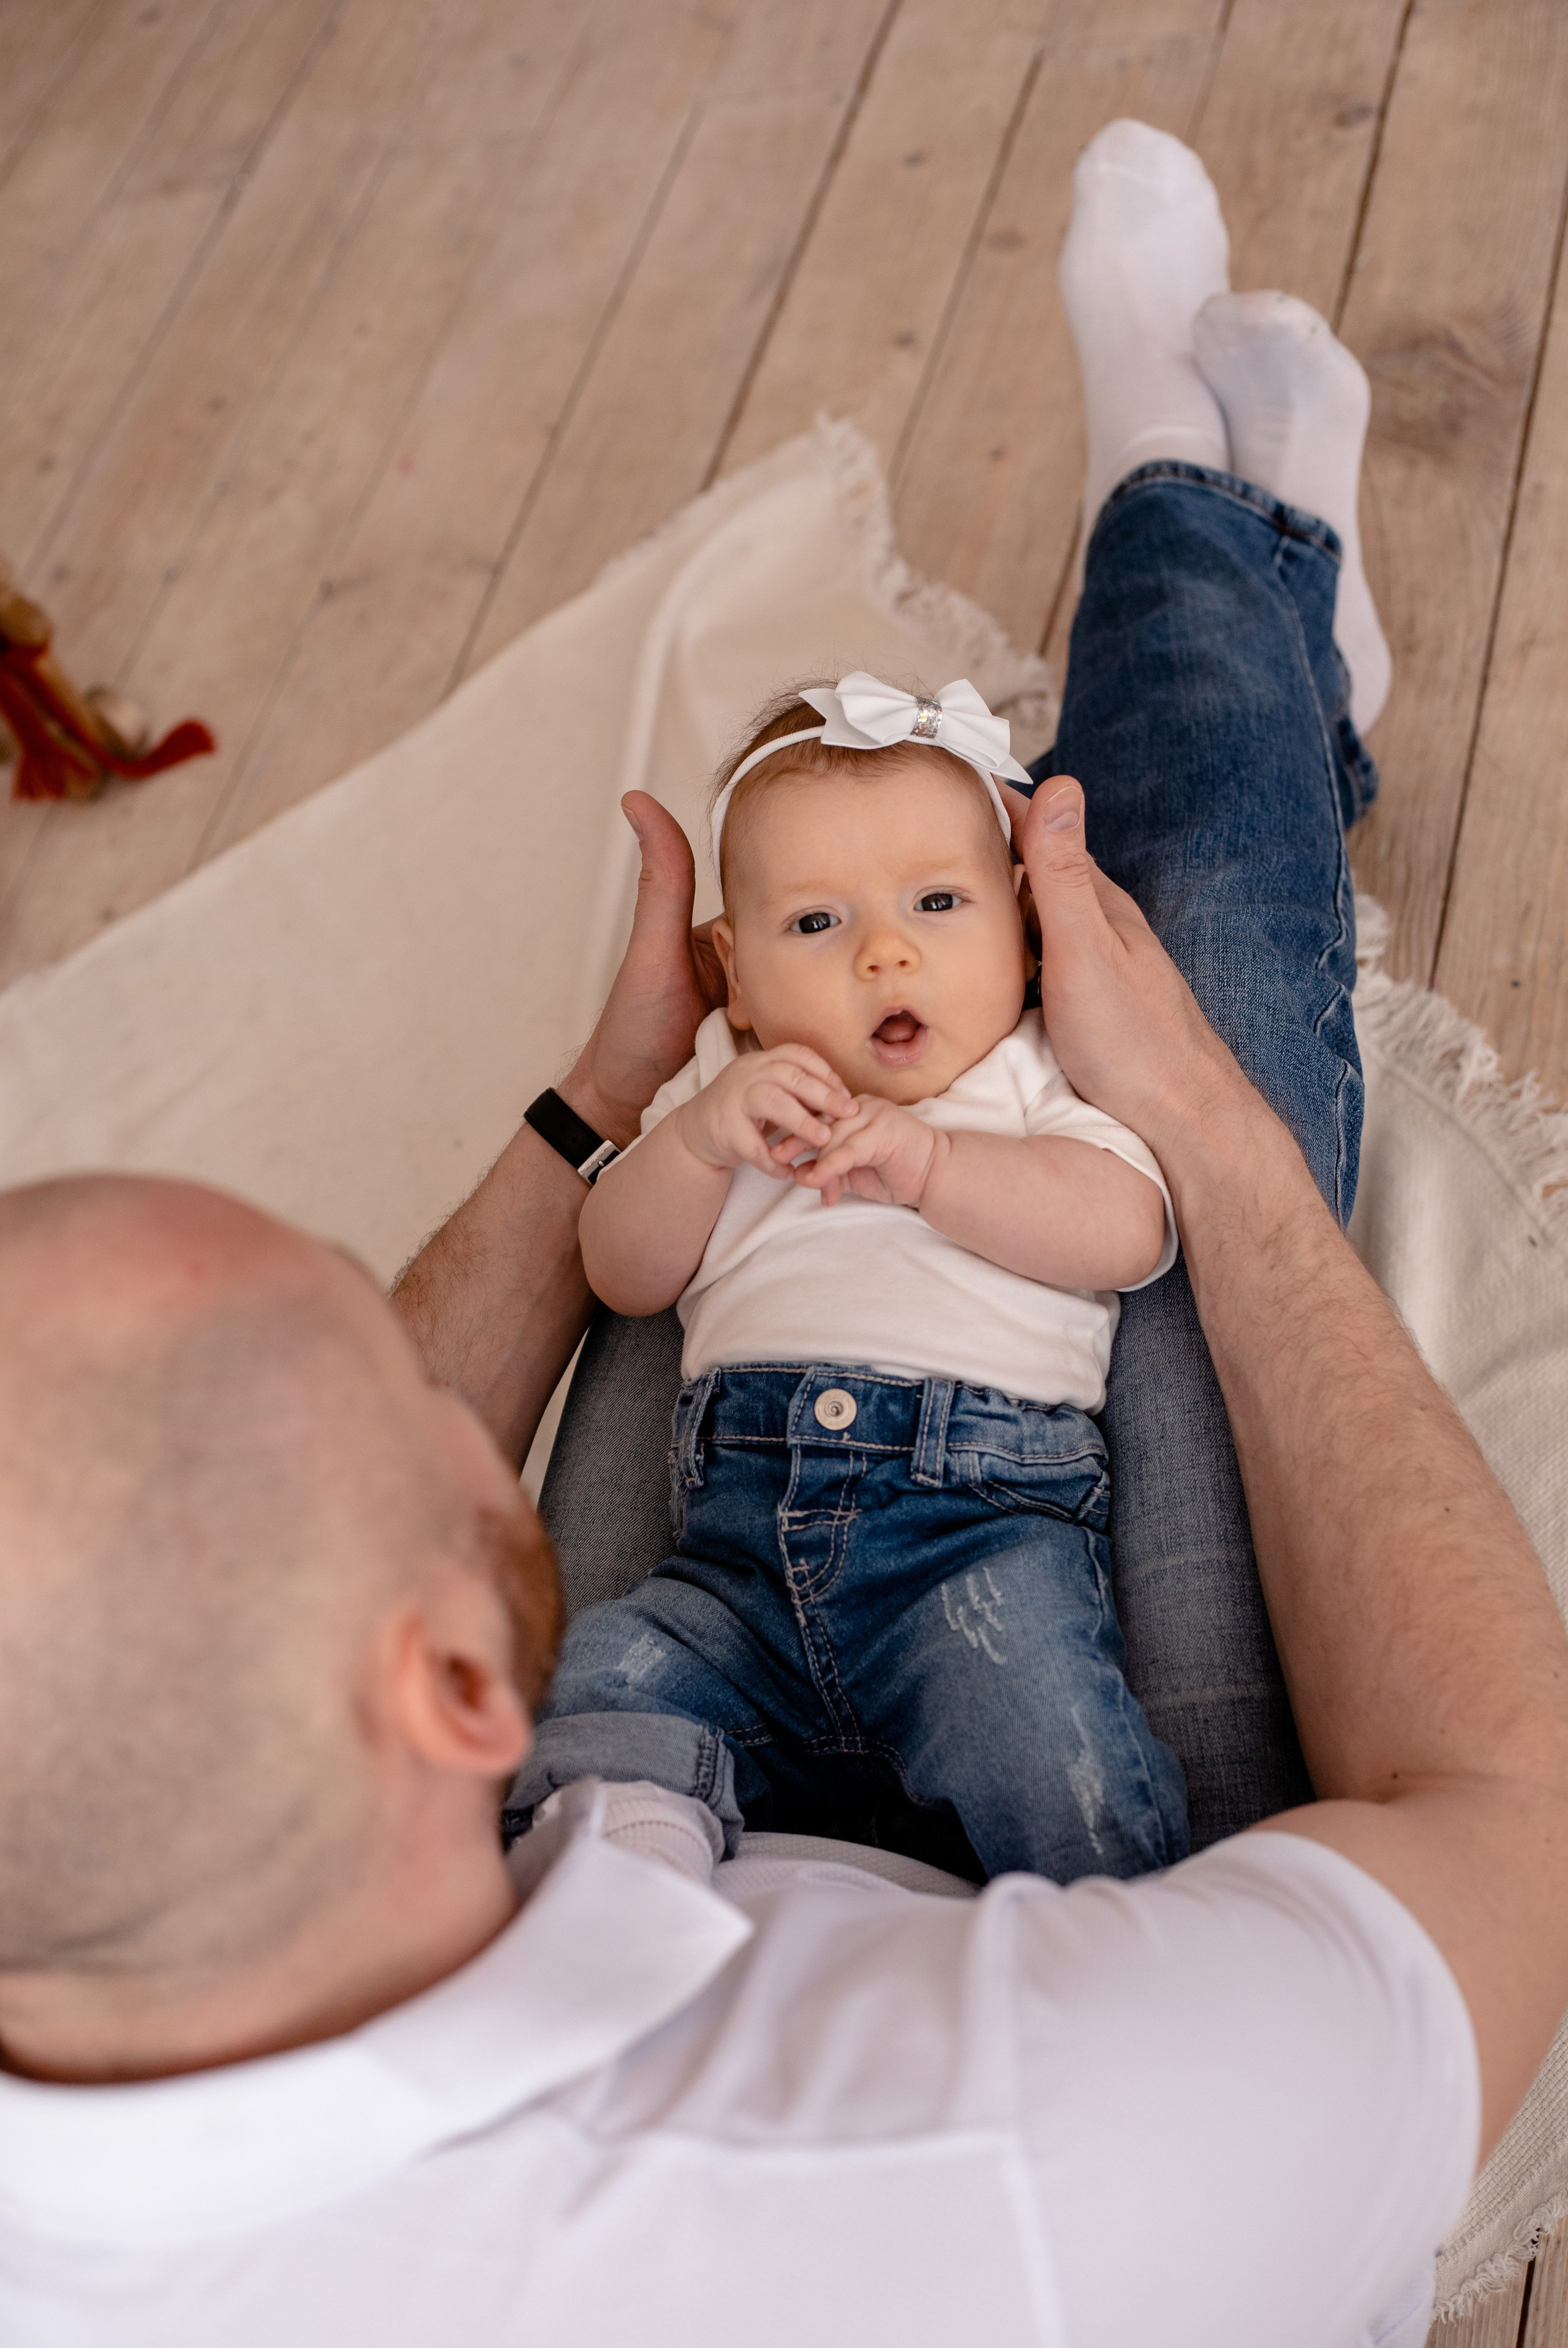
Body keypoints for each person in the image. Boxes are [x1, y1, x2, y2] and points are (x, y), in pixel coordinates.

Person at [1, 120, 1565, 2348]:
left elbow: (611, 1275)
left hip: (717, 1680)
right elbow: (1510, 1816)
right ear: (452, 1689)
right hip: (1016, 1671)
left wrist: (643, 1099)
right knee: (1172, 969)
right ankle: (1207, 530)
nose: (479, 1413)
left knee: (1038, 917)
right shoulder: (1048, 2163)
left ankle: (1233, 580)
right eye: (413, 1414)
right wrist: (1177, 1124)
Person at [516, 668, 1186, 1886]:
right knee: (603, 1680)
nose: (886, 953)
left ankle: (1100, 1945)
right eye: (817, 925)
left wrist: (934, 1166)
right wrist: (695, 1142)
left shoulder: (1033, 1069)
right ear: (734, 974)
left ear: (1025, 925)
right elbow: (619, 1273)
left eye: (937, 902)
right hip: (732, 1583)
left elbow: (1127, 1229)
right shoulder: (730, 1084)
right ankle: (629, 1890)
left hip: (976, 1549)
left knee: (1056, 1749)